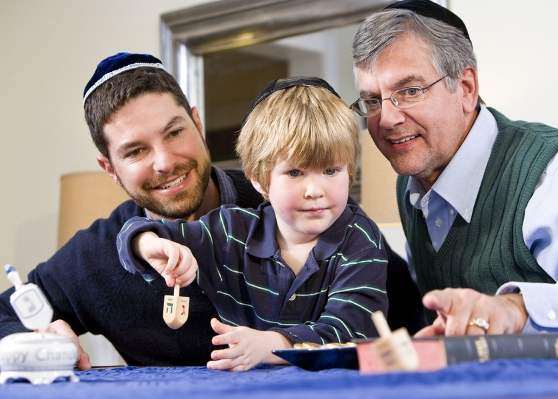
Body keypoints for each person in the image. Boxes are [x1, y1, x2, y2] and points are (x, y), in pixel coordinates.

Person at [351, 0, 558, 347]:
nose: (387, 120)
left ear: (466, 88)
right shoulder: (410, 184)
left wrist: (514, 311)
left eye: (409, 91)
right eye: (373, 101)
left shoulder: (557, 172)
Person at [0, 52, 264, 368]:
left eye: (175, 132)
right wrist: (36, 337)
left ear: (197, 123)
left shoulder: (282, 203)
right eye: (136, 151)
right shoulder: (95, 256)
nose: (165, 162)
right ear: (110, 168)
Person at [116, 77, 389, 371]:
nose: (315, 190)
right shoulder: (231, 231)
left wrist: (274, 345)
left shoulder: (360, 240)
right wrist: (150, 245)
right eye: (295, 172)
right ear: (259, 179)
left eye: (330, 170)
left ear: (349, 171)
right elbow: (136, 233)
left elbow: (351, 332)